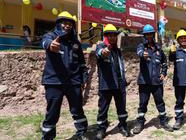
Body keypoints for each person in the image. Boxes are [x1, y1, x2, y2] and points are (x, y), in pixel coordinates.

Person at [40, 11, 89, 140]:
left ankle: (82, 133)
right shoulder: (50, 36)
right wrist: (50, 45)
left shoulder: (76, 43)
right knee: (52, 113)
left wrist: (84, 79)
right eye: (64, 23)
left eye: (70, 24)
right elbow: (44, 42)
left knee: (77, 110)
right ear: (58, 24)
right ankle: (47, 137)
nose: (67, 26)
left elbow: (82, 64)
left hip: (73, 82)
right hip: (54, 82)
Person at [132, 24, 173, 134]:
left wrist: (163, 73)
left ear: (153, 34)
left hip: (156, 82)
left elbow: (164, 62)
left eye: (150, 34)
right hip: (144, 82)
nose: (149, 36)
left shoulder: (158, 48)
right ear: (144, 35)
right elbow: (139, 52)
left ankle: (163, 122)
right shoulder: (141, 46)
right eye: (147, 34)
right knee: (142, 103)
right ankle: (140, 122)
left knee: (160, 102)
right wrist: (142, 54)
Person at [95, 24, 130, 139]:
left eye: (114, 35)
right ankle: (101, 129)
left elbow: (120, 66)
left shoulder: (118, 51)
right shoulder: (101, 46)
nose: (112, 37)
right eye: (109, 35)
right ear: (106, 36)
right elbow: (99, 53)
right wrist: (103, 52)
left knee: (121, 108)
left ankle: (123, 125)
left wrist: (124, 79)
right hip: (106, 85)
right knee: (103, 109)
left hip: (119, 85)